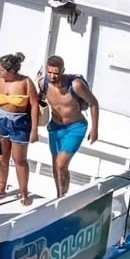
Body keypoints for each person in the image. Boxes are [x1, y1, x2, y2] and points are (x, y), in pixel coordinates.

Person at [40, 56, 100, 197]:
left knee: (61, 164)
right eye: (50, 72)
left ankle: (63, 195)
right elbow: (38, 100)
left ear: (63, 71)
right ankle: (60, 195)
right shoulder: (43, 83)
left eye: (56, 73)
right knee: (57, 167)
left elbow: (94, 103)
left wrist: (95, 129)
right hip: (55, 127)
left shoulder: (76, 85)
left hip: (75, 127)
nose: (53, 76)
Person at [0, 52, 41, 205]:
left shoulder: (26, 82)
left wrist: (34, 130)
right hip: (0, 121)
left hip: (19, 123)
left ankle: (23, 192)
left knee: (19, 160)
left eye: (1, 69)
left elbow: (34, 106)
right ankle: (0, 188)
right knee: (1, 158)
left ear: (11, 70)